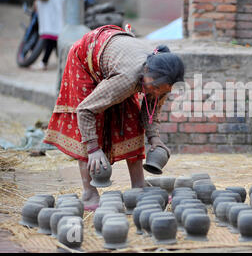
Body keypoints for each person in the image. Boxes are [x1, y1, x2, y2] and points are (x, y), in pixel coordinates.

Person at [43, 25, 185, 210]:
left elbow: (150, 109)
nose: (157, 92)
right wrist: (93, 148)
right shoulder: (128, 78)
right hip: (84, 59)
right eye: (155, 88)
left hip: (113, 58)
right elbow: (85, 110)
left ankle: (138, 186)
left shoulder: (161, 81)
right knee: (92, 122)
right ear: (147, 72)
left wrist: (154, 138)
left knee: (131, 122)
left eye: (162, 90)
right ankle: (89, 193)